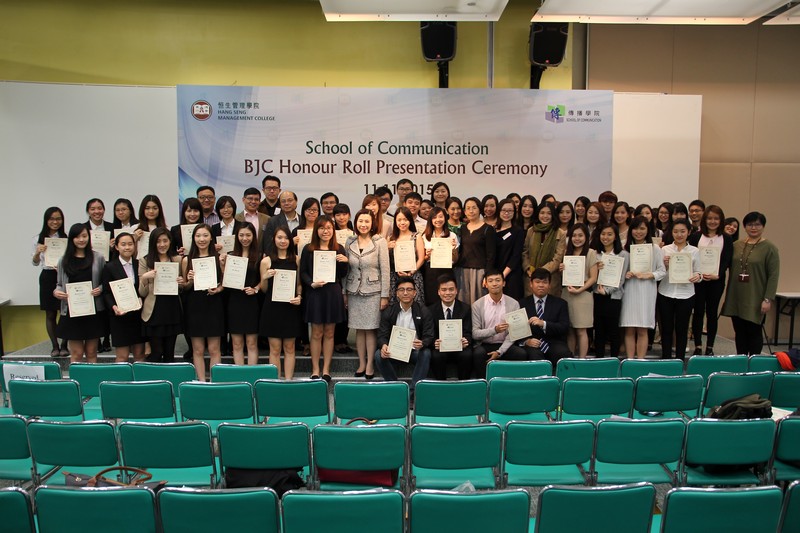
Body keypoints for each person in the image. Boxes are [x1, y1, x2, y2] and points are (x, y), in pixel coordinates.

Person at [721, 211, 780, 356]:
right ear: (745, 227)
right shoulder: (736, 245)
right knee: (739, 331)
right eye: (750, 224)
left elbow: (774, 275)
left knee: (754, 331)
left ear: (763, 226)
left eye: (757, 224)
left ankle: (754, 363)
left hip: (756, 296)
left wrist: (767, 299)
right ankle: (741, 360)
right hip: (736, 295)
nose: (753, 228)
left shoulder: (769, 248)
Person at [299, 215, 348, 381]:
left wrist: (344, 262)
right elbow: (303, 272)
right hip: (315, 293)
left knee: (329, 333)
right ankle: (315, 369)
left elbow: (343, 274)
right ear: (316, 230)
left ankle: (326, 369)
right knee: (316, 333)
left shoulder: (339, 248)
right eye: (322, 228)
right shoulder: (308, 249)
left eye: (328, 228)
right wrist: (311, 283)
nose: (325, 231)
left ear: (333, 230)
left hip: (333, 293)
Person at [345, 209, 390, 380]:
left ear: (372, 223)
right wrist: (344, 292)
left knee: (370, 330)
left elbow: (385, 270)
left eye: (367, 221)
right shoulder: (350, 241)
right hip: (353, 290)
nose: (363, 224)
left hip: (373, 291)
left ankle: (370, 363)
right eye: (360, 221)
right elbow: (346, 269)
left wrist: (385, 295)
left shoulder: (380, 242)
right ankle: (361, 363)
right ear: (355, 223)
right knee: (358, 329)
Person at [53, 223, 106, 363]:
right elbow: (59, 285)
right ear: (71, 239)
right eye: (77, 237)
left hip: (93, 311)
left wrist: (100, 289)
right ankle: (75, 384)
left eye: (84, 236)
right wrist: (57, 292)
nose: (81, 240)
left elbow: (105, 282)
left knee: (91, 352)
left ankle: (92, 383)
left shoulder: (98, 258)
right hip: (72, 311)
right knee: (76, 353)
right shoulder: (63, 260)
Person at [374, 276, 433, 397]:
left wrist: (423, 343)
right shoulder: (389, 311)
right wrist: (384, 345)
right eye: (401, 290)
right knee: (378, 355)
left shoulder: (423, 311)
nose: (405, 293)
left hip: (414, 351)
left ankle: (413, 393)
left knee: (426, 353)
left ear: (415, 292)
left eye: (409, 289)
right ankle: (396, 389)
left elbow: (429, 335)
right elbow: (381, 335)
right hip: (394, 351)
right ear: (396, 293)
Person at [688, 205, 733, 356]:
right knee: (698, 312)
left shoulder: (726, 238)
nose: (712, 221)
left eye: (716, 218)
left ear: (721, 220)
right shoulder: (696, 236)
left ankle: (710, 346)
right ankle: (698, 345)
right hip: (699, 281)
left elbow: (726, 259)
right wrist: (697, 274)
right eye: (709, 218)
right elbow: (691, 258)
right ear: (704, 220)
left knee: (712, 313)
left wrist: (718, 274)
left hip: (716, 281)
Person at [182, 223, 225, 380]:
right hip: (195, 306)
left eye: (205, 235)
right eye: (198, 236)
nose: (202, 239)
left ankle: (215, 382)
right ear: (193, 238)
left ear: (211, 238)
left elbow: (224, 284)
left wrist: (218, 289)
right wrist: (189, 280)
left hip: (213, 304)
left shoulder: (218, 258)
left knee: (214, 349)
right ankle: (201, 382)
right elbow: (185, 287)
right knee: (198, 349)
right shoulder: (187, 259)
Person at [259, 226, 302, 379]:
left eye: (285, 238)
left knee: (290, 347)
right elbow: (263, 289)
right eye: (279, 238)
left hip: (290, 308)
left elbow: (298, 284)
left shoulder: (296, 259)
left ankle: (288, 380)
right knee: (275, 349)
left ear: (290, 240)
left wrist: (299, 296)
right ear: (273, 240)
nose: (283, 241)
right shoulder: (266, 261)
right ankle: (275, 381)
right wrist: (265, 277)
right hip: (272, 308)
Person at [620, 216, 666, 358]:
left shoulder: (655, 249)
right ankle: (629, 360)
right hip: (629, 291)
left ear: (648, 230)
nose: (638, 232)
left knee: (642, 329)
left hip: (646, 291)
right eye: (635, 228)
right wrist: (625, 274)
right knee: (629, 329)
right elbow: (618, 271)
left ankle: (640, 361)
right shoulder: (623, 247)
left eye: (642, 228)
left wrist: (649, 275)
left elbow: (662, 271)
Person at [471, 269, 527, 378]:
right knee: (478, 354)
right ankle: (482, 385)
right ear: (485, 284)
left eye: (498, 280)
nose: (495, 284)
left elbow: (514, 334)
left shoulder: (514, 304)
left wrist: (499, 351)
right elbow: (475, 333)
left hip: (505, 344)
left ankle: (512, 385)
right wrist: (494, 330)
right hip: (484, 344)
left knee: (521, 353)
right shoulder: (477, 305)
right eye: (491, 281)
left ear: (504, 283)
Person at [138, 227, 183, 363]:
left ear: (170, 241)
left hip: (172, 309)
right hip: (154, 311)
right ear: (153, 243)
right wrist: (145, 278)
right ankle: (155, 382)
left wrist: (181, 282)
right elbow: (142, 292)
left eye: (165, 240)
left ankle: (170, 383)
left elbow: (182, 288)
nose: (162, 244)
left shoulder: (177, 260)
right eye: (158, 241)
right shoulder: (145, 261)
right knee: (157, 352)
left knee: (169, 353)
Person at [658, 220, 701, 360]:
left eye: (683, 231)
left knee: (682, 329)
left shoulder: (695, 251)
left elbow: (699, 272)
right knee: (666, 328)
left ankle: (680, 359)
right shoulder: (665, 250)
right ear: (671, 233)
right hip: (666, 292)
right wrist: (665, 265)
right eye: (676, 231)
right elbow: (659, 272)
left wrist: (697, 276)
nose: (679, 234)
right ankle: (665, 358)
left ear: (689, 232)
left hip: (686, 294)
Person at [102, 231, 146, 363]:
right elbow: (106, 292)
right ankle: (120, 383)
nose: (127, 247)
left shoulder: (140, 264)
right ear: (116, 247)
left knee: (139, 354)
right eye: (123, 244)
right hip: (119, 316)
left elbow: (145, 288)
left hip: (138, 315)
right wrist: (113, 307)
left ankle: (141, 383)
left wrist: (141, 299)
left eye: (130, 244)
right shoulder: (109, 267)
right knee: (122, 356)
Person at [224, 222, 261, 365]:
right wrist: (223, 265)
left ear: (253, 236)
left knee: (251, 343)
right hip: (235, 302)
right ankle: (240, 376)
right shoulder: (231, 255)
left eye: (248, 235)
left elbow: (262, 280)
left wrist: (255, 289)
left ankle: (251, 376)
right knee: (237, 343)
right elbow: (224, 280)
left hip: (251, 302)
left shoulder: (259, 256)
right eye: (241, 235)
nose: (244, 238)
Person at [32, 207, 68, 357]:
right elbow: (34, 262)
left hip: (64, 276)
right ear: (46, 220)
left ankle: (65, 345)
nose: (55, 222)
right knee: (50, 313)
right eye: (52, 219)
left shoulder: (66, 238)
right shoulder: (38, 239)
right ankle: (55, 346)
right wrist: (38, 252)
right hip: (47, 276)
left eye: (58, 219)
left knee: (65, 312)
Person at [517, 268, 572, 364]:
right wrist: (526, 341)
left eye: (545, 282)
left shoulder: (560, 303)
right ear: (531, 284)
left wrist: (544, 324)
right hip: (532, 343)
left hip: (554, 342)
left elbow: (564, 327)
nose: (541, 285)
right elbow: (517, 329)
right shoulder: (521, 304)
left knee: (562, 353)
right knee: (534, 355)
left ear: (549, 285)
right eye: (537, 282)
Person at [559, 224, 598, 357]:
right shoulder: (566, 253)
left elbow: (593, 278)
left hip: (583, 295)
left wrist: (580, 290)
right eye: (574, 235)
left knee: (581, 330)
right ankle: (570, 358)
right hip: (567, 294)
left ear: (586, 237)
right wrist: (561, 269)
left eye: (580, 235)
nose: (577, 238)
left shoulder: (591, 253)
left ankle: (581, 359)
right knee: (569, 330)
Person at [591, 223, 629, 358]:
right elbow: (590, 277)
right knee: (599, 331)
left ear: (615, 237)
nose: (605, 237)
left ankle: (614, 360)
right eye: (603, 234)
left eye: (609, 234)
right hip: (597, 295)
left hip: (614, 297)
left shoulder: (623, 254)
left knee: (614, 331)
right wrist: (596, 270)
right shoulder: (594, 254)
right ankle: (599, 360)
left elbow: (622, 279)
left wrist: (607, 291)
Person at [427, 273, 473, 380]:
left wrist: (466, 341)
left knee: (467, 355)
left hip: (460, 346)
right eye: (444, 290)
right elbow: (429, 333)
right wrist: (434, 342)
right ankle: (440, 386)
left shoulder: (465, 309)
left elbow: (468, 332)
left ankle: (464, 385)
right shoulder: (431, 310)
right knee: (436, 355)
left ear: (456, 291)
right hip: (441, 347)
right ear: (438, 292)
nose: (447, 293)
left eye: (451, 289)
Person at [456, 197, 496, 306]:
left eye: (474, 208)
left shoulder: (488, 229)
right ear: (464, 211)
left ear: (480, 209)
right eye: (468, 208)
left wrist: (487, 276)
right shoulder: (462, 229)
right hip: (462, 272)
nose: (471, 211)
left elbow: (491, 255)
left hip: (480, 272)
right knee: (462, 304)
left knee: (479, 304)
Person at [521, 202, 566, 297]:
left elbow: (557, 258)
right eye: (542, 213)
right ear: (538, 214)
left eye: (549, 213)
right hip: (530, 277)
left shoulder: (560, 233)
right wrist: (527, 268)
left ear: (553, 215)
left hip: (550, 279)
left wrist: (541, 273)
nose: (545, 216)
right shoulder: (531, 230)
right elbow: (525, 252)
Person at [420, 206, 459, 306]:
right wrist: (427, 256)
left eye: (440, 217)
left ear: (445, 218)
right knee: (431, 299)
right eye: (435, 217)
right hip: (430, 272)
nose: (438, 220)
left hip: (446, 270)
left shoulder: (452, 236)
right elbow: (422, 259)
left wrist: (453, 249)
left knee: (447, 298)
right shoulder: (425, 236)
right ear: (431, 220)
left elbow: (455, 260)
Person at [387, 207, 425, 306]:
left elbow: (421, 258)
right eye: (399, 220)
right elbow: (385, 260)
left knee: (416, 307)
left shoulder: (417, 236)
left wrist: (412, 272)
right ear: (395, 221)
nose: (402, 223)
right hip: (395, 277)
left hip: (413, 277)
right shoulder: (390, 238)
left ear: (410, 221)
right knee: (395, 308)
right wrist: (387, 248)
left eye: (405, 219)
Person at [494, 199, 524, 301]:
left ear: (514, 212)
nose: (506, 213)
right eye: (503, 210)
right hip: (496, 275)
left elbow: (516, 256)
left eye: (510, 211)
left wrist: (503, 275)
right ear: (499, 211)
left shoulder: (518, 231)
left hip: (511, 275)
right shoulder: (492, 230)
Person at [261, 190, 300, 256]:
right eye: (283, 201)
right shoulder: (272, 221)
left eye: (290, 200)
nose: (286, 203)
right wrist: (290, 243)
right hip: (279, 261)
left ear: (296, 202)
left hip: (300, 260)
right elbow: (267, 245)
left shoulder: (303, 220)